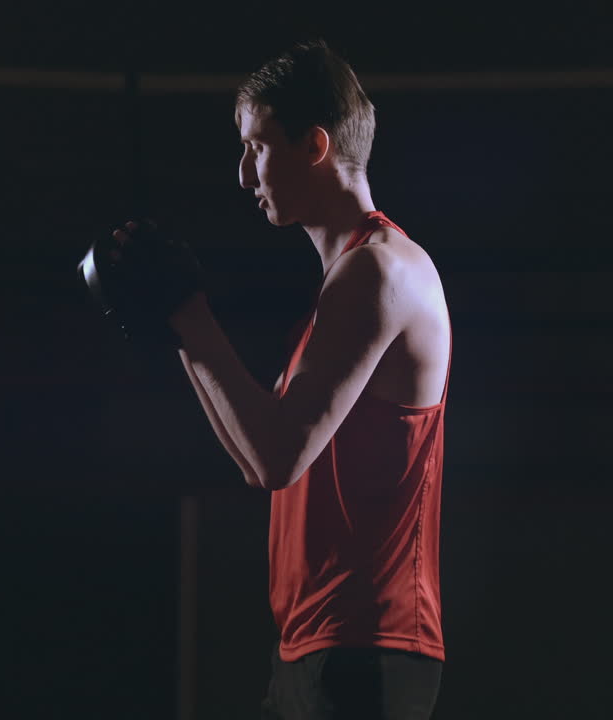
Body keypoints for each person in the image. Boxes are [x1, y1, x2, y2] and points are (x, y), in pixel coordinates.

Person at [81, 40, 449, 719]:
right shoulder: (339, 292)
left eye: (257, 147)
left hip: (367, 647)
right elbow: (258, 459)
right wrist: (178, 328)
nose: (244, 173)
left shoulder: (380, 270)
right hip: (315, 645)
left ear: (314, 145)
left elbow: (280, 455)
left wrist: (191, 315)